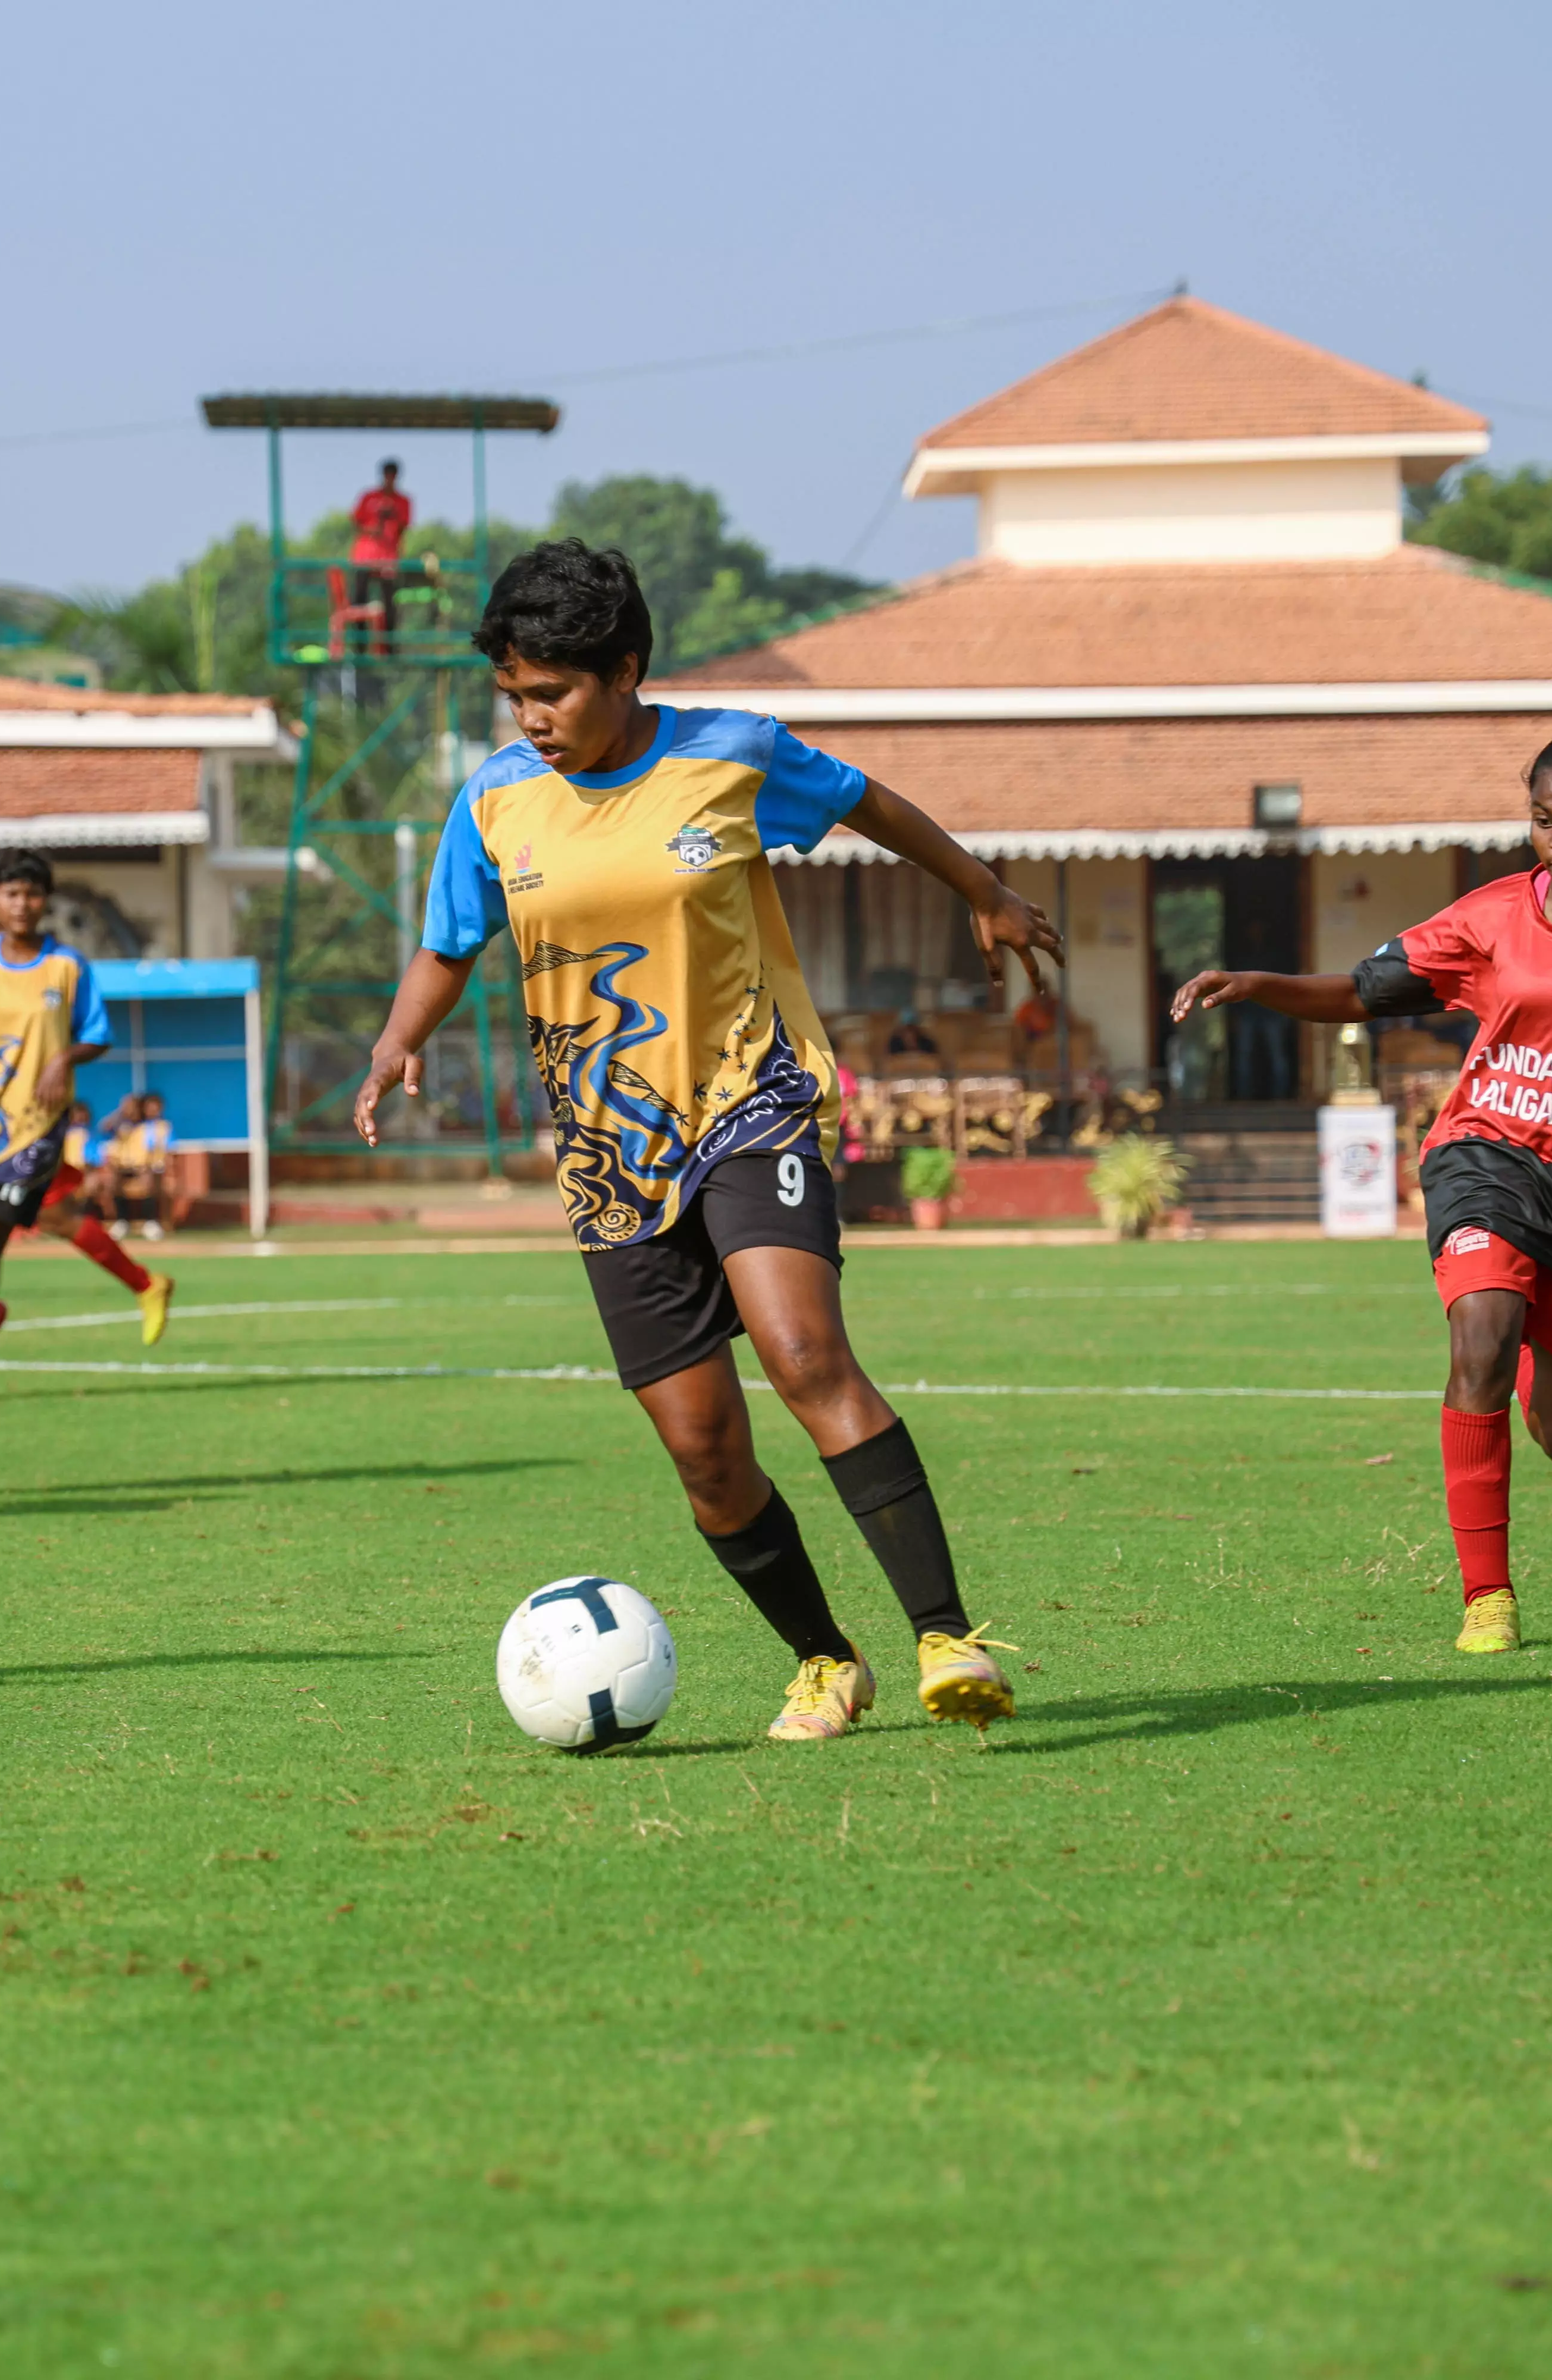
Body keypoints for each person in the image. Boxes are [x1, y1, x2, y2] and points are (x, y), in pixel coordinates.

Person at [356, 540, 1054, 1739]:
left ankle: (947, 1634)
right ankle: (826, 1659)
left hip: (749, 1099)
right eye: (515, 694)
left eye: (554, 691)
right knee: (704, 1452)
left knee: (800, 1351)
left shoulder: (733, 754)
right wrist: (393, 1041)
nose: (532, 717)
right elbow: (448, 941)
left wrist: (979, 888)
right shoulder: (492, 799)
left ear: (625, 668)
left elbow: (865, 802)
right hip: (607, 1155)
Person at [1167, 704, 1552, 1655]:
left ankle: (1545, 1331)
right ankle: (1487, 1597)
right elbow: (1360, 993)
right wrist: (1259, 983)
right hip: (1488, 1155)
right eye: (1544, 819)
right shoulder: (1490, 916)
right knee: (1479, 1341)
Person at [0, 851, 174, 1392]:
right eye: (11, 893)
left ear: (46, 901)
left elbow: (97, 1032)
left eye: (33, 894)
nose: (22, 904)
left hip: (33, 1130)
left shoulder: (68, 966)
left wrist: (63, 1058)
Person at [347, 460, 412, 657]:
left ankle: (389, 646)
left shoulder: (403, 501)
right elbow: (356, 521)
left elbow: (403, 527)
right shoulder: (369, 497)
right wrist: (373, 528)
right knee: (360, 599)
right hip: (365, 555)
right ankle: (360, 646)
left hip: (388, 557)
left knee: (390, 602)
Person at [105, 1093, 176, 1238]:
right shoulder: (126, 1127)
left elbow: (166, 1151)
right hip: (126, 1167)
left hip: (148, 1168)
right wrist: (121, 1111)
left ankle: (150, 1222)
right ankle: (122, 1222)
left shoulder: (160, 1127)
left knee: (147, 1179)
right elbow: (105, 1127)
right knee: (113, 1181)